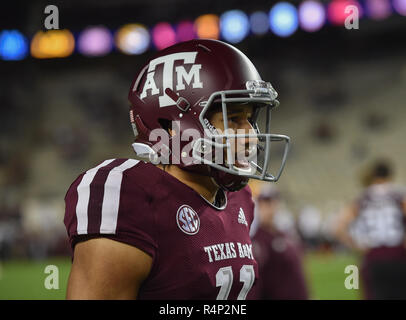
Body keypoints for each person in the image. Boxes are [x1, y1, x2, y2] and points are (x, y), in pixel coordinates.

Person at [63, 39, 290, 299]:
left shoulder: (240, 200)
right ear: (173, 127)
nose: (251, 135)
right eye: (234, 119)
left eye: (250, 120)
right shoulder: (129, 197)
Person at [335, 160, 406, 299]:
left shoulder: (363, 198)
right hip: (399, 257)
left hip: (373, 258)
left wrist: (356, 245)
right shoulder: (398, 195)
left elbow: (338, 227)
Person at [251, 185, 309, 299]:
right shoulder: (257, 241)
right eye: (266, 203)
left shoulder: (285, 234)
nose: (271, 207)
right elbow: (256, 287)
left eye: (273, 202)